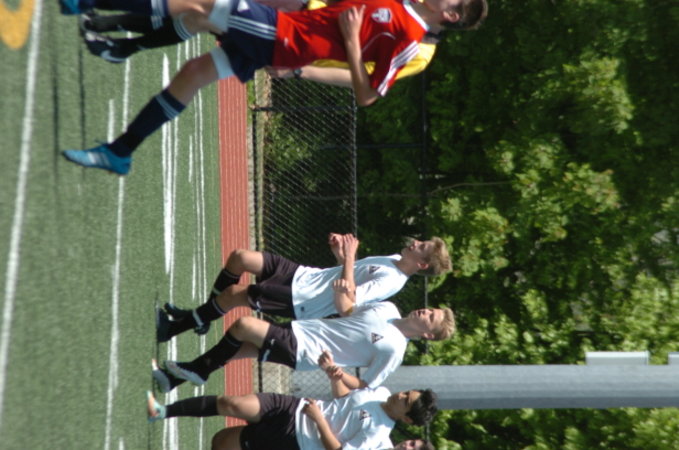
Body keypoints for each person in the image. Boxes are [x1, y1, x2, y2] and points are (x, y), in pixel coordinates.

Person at [59, 0, 488, 175]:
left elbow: (369, 95)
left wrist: (353, 46)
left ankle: (88, 3)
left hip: (283, 38)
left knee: (199, 4)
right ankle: (120, 152)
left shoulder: (411, 38)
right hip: (287, 30)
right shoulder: (405, 7)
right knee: (193, 73)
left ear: (450, 15)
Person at [156, 233, 451, 342]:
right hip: (304, 276)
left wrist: (349, 257)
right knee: (240, 258)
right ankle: (202, 317)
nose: (415, 242)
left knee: (235, 295)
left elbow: (349, 298)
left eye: (421, 246)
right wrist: (340, 255)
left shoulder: (392, 281)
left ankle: (174, 328)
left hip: (305, 299)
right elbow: (348, 275)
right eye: (420, 241)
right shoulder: (394, 259)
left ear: (422, 264)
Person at [151, 296, 455, 393]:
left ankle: (199, 371)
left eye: (431, 318)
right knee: (240, 348)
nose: (425, 312)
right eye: (430, 309)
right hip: (303, 329)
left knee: (244, 326)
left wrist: (337, 373)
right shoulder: (388, 308)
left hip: (307, 351)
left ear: (428, 335)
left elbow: (366, 384)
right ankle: (172, 380)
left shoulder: (395, 350)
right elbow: (348, 310)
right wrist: (343, 279)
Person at [146, 366, 438, 450]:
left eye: (405, 401)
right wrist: (334, 377)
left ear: (406, 419)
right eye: (406, 392)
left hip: (295, 438)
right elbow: (344, 401)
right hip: (293, 407)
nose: (400, 395)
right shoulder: (381, 392)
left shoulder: (378, 434)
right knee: (231, 403)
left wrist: (318, 419)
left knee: (220, 442)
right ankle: (162, 411)